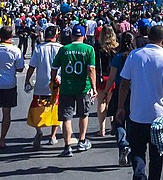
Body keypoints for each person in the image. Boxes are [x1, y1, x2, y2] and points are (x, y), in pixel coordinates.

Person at [117, 24, 163, 180]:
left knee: (137, 152)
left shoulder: (134, 55)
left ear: (149, 37)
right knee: (157, 155)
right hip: (158, 116)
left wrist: (120, 106)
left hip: (137, 114)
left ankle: (139, 175)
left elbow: (124, 83)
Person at [51, 24, 97, 157]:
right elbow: (91, 69)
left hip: (66, 87)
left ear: (72, 36)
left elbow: (54, 67)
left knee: (66, 117)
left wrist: (53, 80)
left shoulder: (64, 49)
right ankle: (82, 140)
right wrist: (94, 87)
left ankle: (67, 146)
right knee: (83, 114)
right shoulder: (89, 49)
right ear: (84, 36)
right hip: (83, 87)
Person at [0, 25, 25, 148]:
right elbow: (20, 68)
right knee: (6, 112)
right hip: (9, 84)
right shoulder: (15, 50)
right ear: (11, 36)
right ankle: (2, 139)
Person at [25, 25, 62, 148]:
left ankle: (39, 131)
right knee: (55, 110)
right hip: (57, 84)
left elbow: (32, 67)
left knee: (37, 110)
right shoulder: (61, 48)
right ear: (55, 35)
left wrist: (27, 80)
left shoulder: (39, 48)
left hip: (41, 85)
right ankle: (53, 136)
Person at [106, 31, 136, 166]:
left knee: (118, 121)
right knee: (131, 121)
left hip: (119, 89)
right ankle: (130, 150)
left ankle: (123, 144)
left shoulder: (117, 57)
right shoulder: (135, 56)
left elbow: (112, 76)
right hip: (134, 90)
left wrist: (106, 91)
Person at [95, 24, 118, 136]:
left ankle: (102, 128)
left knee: (101, 102)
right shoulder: (116, 47)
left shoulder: (98, 47)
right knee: (111, 102)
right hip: (113, 76)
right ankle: (113, 125)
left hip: (101, 77)